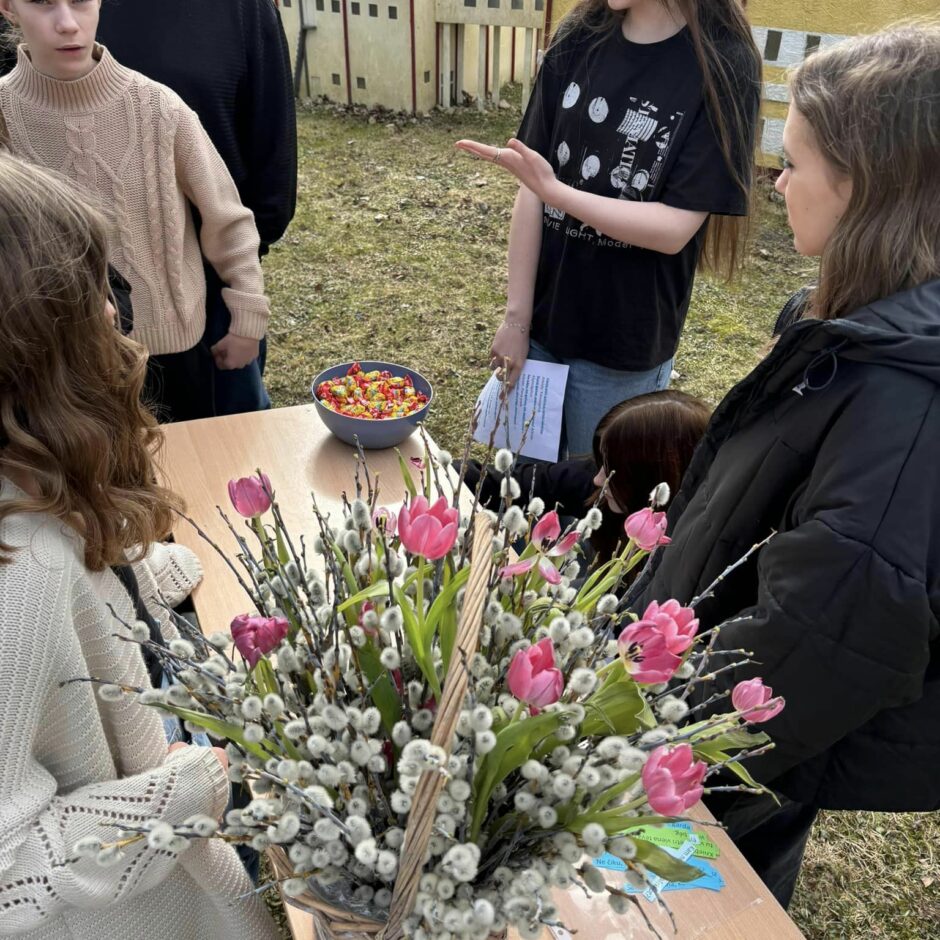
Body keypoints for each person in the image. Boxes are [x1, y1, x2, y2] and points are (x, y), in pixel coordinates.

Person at [627, 24, 940, 909]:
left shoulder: (904, 404)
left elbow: (818, 647)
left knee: (708, 891)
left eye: (795, 161)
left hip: (733, 743)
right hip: (705, 699)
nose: (777, 179)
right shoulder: (858, 322)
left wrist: (632, 729)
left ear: (867, 187)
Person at [0, 152, 279, 938]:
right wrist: (187, 789)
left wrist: (150, 578)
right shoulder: (22, 570)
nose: (114, 316)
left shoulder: (34, 475)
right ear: (32, 341)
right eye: (91, 294)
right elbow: (10, 872)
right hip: (137, 908)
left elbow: (81, 606)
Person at [456, 0, 761, 458]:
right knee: (523, 497)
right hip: (542, 329)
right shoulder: (579, 33)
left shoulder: (725, 62)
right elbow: (532, 186)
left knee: (594, 501)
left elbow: (674, 227)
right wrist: (517, 317)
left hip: (621, 353)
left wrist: (558, 194)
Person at [0, 0, 271, 423]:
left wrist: (248, 318)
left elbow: (228, 219)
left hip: (177, 356)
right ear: (8, 8)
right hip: (59, 371)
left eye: (79, 2)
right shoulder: (4, 119)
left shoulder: (159, 107)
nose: (67, 23)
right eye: (43, 3)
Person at [97, 0, 298, 415]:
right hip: (89, 301)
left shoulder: (241, 9)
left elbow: (272, 145)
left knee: (230, 444)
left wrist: (243, 283)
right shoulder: (55, 12)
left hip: (214, 281)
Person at [464, 389, 711, 563]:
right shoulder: (601, 483)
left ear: (652, 482)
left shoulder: (693, 551)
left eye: (613, 471)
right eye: (601, 464)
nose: (598, 479)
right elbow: (516, 482)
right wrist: (436, 468)